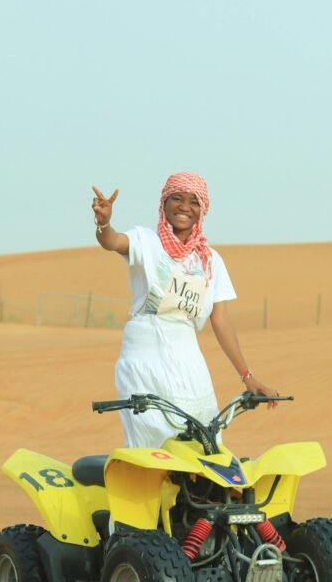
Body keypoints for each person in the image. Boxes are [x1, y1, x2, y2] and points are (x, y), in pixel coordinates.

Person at [91, 172, 278, 449]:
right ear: (164, 204)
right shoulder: (147, 242)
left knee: (205, 440)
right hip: (145, 356)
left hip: (189, 359)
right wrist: (104, 222)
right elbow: (113, 241)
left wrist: (248, 377)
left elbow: (220, 319)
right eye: (176, 199)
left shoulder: (210, 260)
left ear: (203, 210)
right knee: (155, 445)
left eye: (194, 202)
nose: (184, 207)